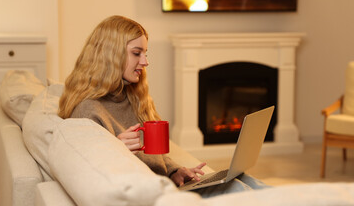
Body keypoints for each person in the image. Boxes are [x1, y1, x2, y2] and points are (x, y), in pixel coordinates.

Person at [58, 15, 267, 198]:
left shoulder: (131, 95)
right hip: (154, 195)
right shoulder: (87, 110)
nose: (145, 61)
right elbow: (89, 172)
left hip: (167, 185)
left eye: (145, 53)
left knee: (245, 181)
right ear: (111, 54)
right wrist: (114, 149)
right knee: (237, 191)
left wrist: (174, 171)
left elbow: (154, 154)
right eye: (136, 53)